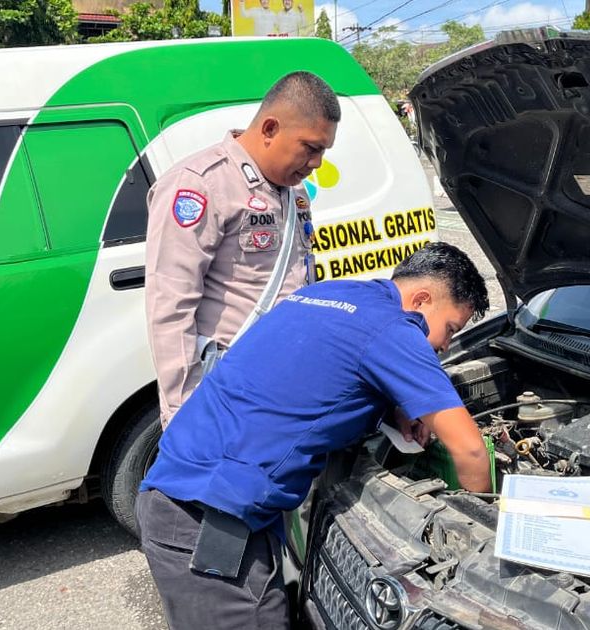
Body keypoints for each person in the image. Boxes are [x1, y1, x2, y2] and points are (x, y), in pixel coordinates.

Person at [136, 242, 493, 629]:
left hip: (181, 497)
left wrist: (396, 408)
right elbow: (471, 450)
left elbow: (314, 371)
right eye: (450, 329)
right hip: (209, 527)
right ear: (422, 299)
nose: (445, 346)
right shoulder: (393, 329)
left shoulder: (324, 293)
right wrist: (478, 543)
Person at [145, 71, 338, 428]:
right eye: (311, 148)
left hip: (286, 379)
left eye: (323, 151)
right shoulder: (200, 185)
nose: (316, 164)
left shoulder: (290, 191)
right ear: (269, 129)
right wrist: (184, 415)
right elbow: (171, 307)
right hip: (229, 387)